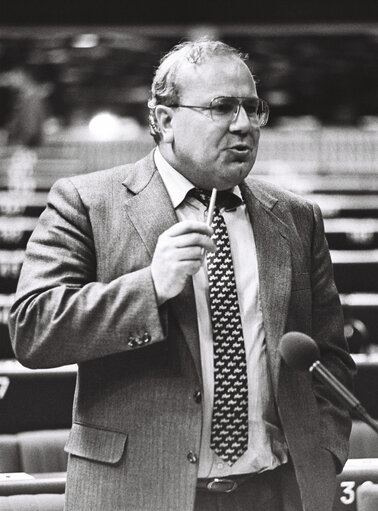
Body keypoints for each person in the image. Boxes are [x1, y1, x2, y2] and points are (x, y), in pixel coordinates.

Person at [9, 39, 355, 511]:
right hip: (138, 495)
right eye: (222, 107)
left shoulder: (296, 217)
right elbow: (33, 330)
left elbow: (328, 356)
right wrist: (149, 287)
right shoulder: (86, 203)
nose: (244, 124)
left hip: (276, 492)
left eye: (252, 108)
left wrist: (324, 453)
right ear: (165, 120)